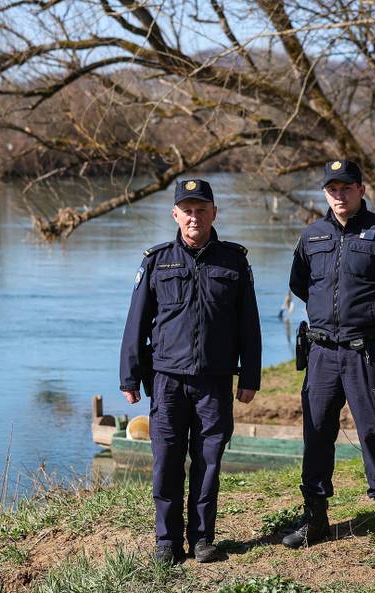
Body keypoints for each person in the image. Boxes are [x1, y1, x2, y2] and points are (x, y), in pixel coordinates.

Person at [283, 160, 375, 557]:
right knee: (317, 433)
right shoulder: (312, 235)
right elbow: (300, 284)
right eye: (332, 188)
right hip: (322, 353)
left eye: (346, 187)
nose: (339, 194)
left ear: (361, 190)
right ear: (325, 193)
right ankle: (315, 516)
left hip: (367, 352)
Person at [119, 179, 261, 565]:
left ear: (214, 213)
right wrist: (129, 377)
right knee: (166, 461)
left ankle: (201, 539)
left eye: (202, 210)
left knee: (208, 462)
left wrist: (249, 377)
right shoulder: (156, 260)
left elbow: (249, 324)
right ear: (175, 215)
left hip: (215, 381)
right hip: (166, 380)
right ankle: (166, 541)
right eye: (188, 210)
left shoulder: (234, 261)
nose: (194, 217)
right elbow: (136, 322)